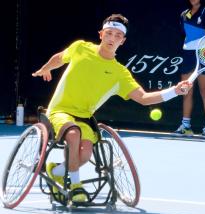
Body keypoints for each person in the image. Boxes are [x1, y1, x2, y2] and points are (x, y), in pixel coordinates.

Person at [32, 14, 191, 202]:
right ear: (101, 34)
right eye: (109, 33)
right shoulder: (80, 48)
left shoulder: (120, 73)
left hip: (84, 117)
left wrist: (175, 91)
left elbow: (144, 98)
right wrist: (46, 68)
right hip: (59, 111)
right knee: (73, 134)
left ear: (122, 41)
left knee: (85, 153)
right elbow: (59, 58)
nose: (112, 38)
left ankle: (56, 170)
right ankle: (76, 186)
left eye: (117, 35)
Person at [174, 0, 205, 137]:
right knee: (185, 91)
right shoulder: (184, 14)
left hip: (203, 54)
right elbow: (184, 33)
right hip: (188, 54)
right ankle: (185, 126)